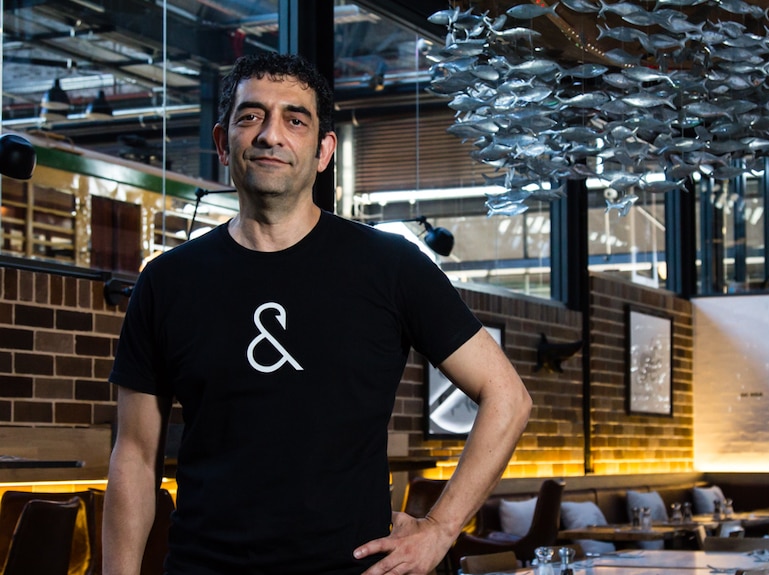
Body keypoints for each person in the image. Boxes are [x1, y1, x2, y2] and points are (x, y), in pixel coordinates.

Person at [102, 51, 532, 575]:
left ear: (324, 150)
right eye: (250, 116)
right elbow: (134, 457)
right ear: (222, 142)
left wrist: (441, 529)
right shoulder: (167, 281)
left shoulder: (390, 266)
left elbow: (507, 397)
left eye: (295, 119)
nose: (270, 135)